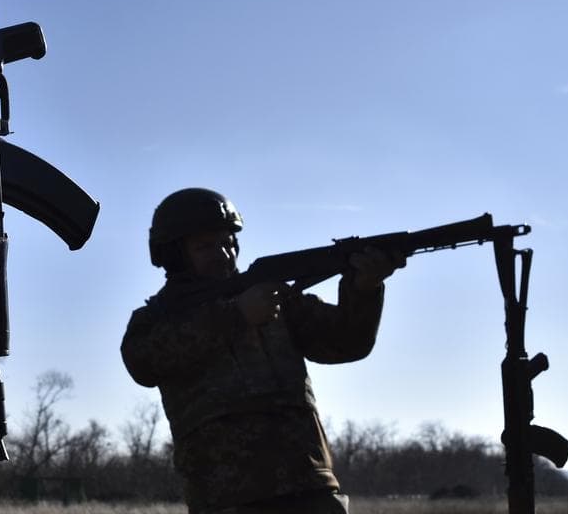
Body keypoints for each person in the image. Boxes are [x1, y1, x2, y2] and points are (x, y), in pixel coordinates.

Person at [120, 188, 405, 514]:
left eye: (228, 242)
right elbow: (142, 363)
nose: (224, 254)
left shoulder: (275, 300)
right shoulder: (157, 318)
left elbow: (348, 342)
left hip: (309, 485)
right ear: (174, 255)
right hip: (227, 497)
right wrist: (236, 316)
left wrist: (364, 288)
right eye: (205, 246)